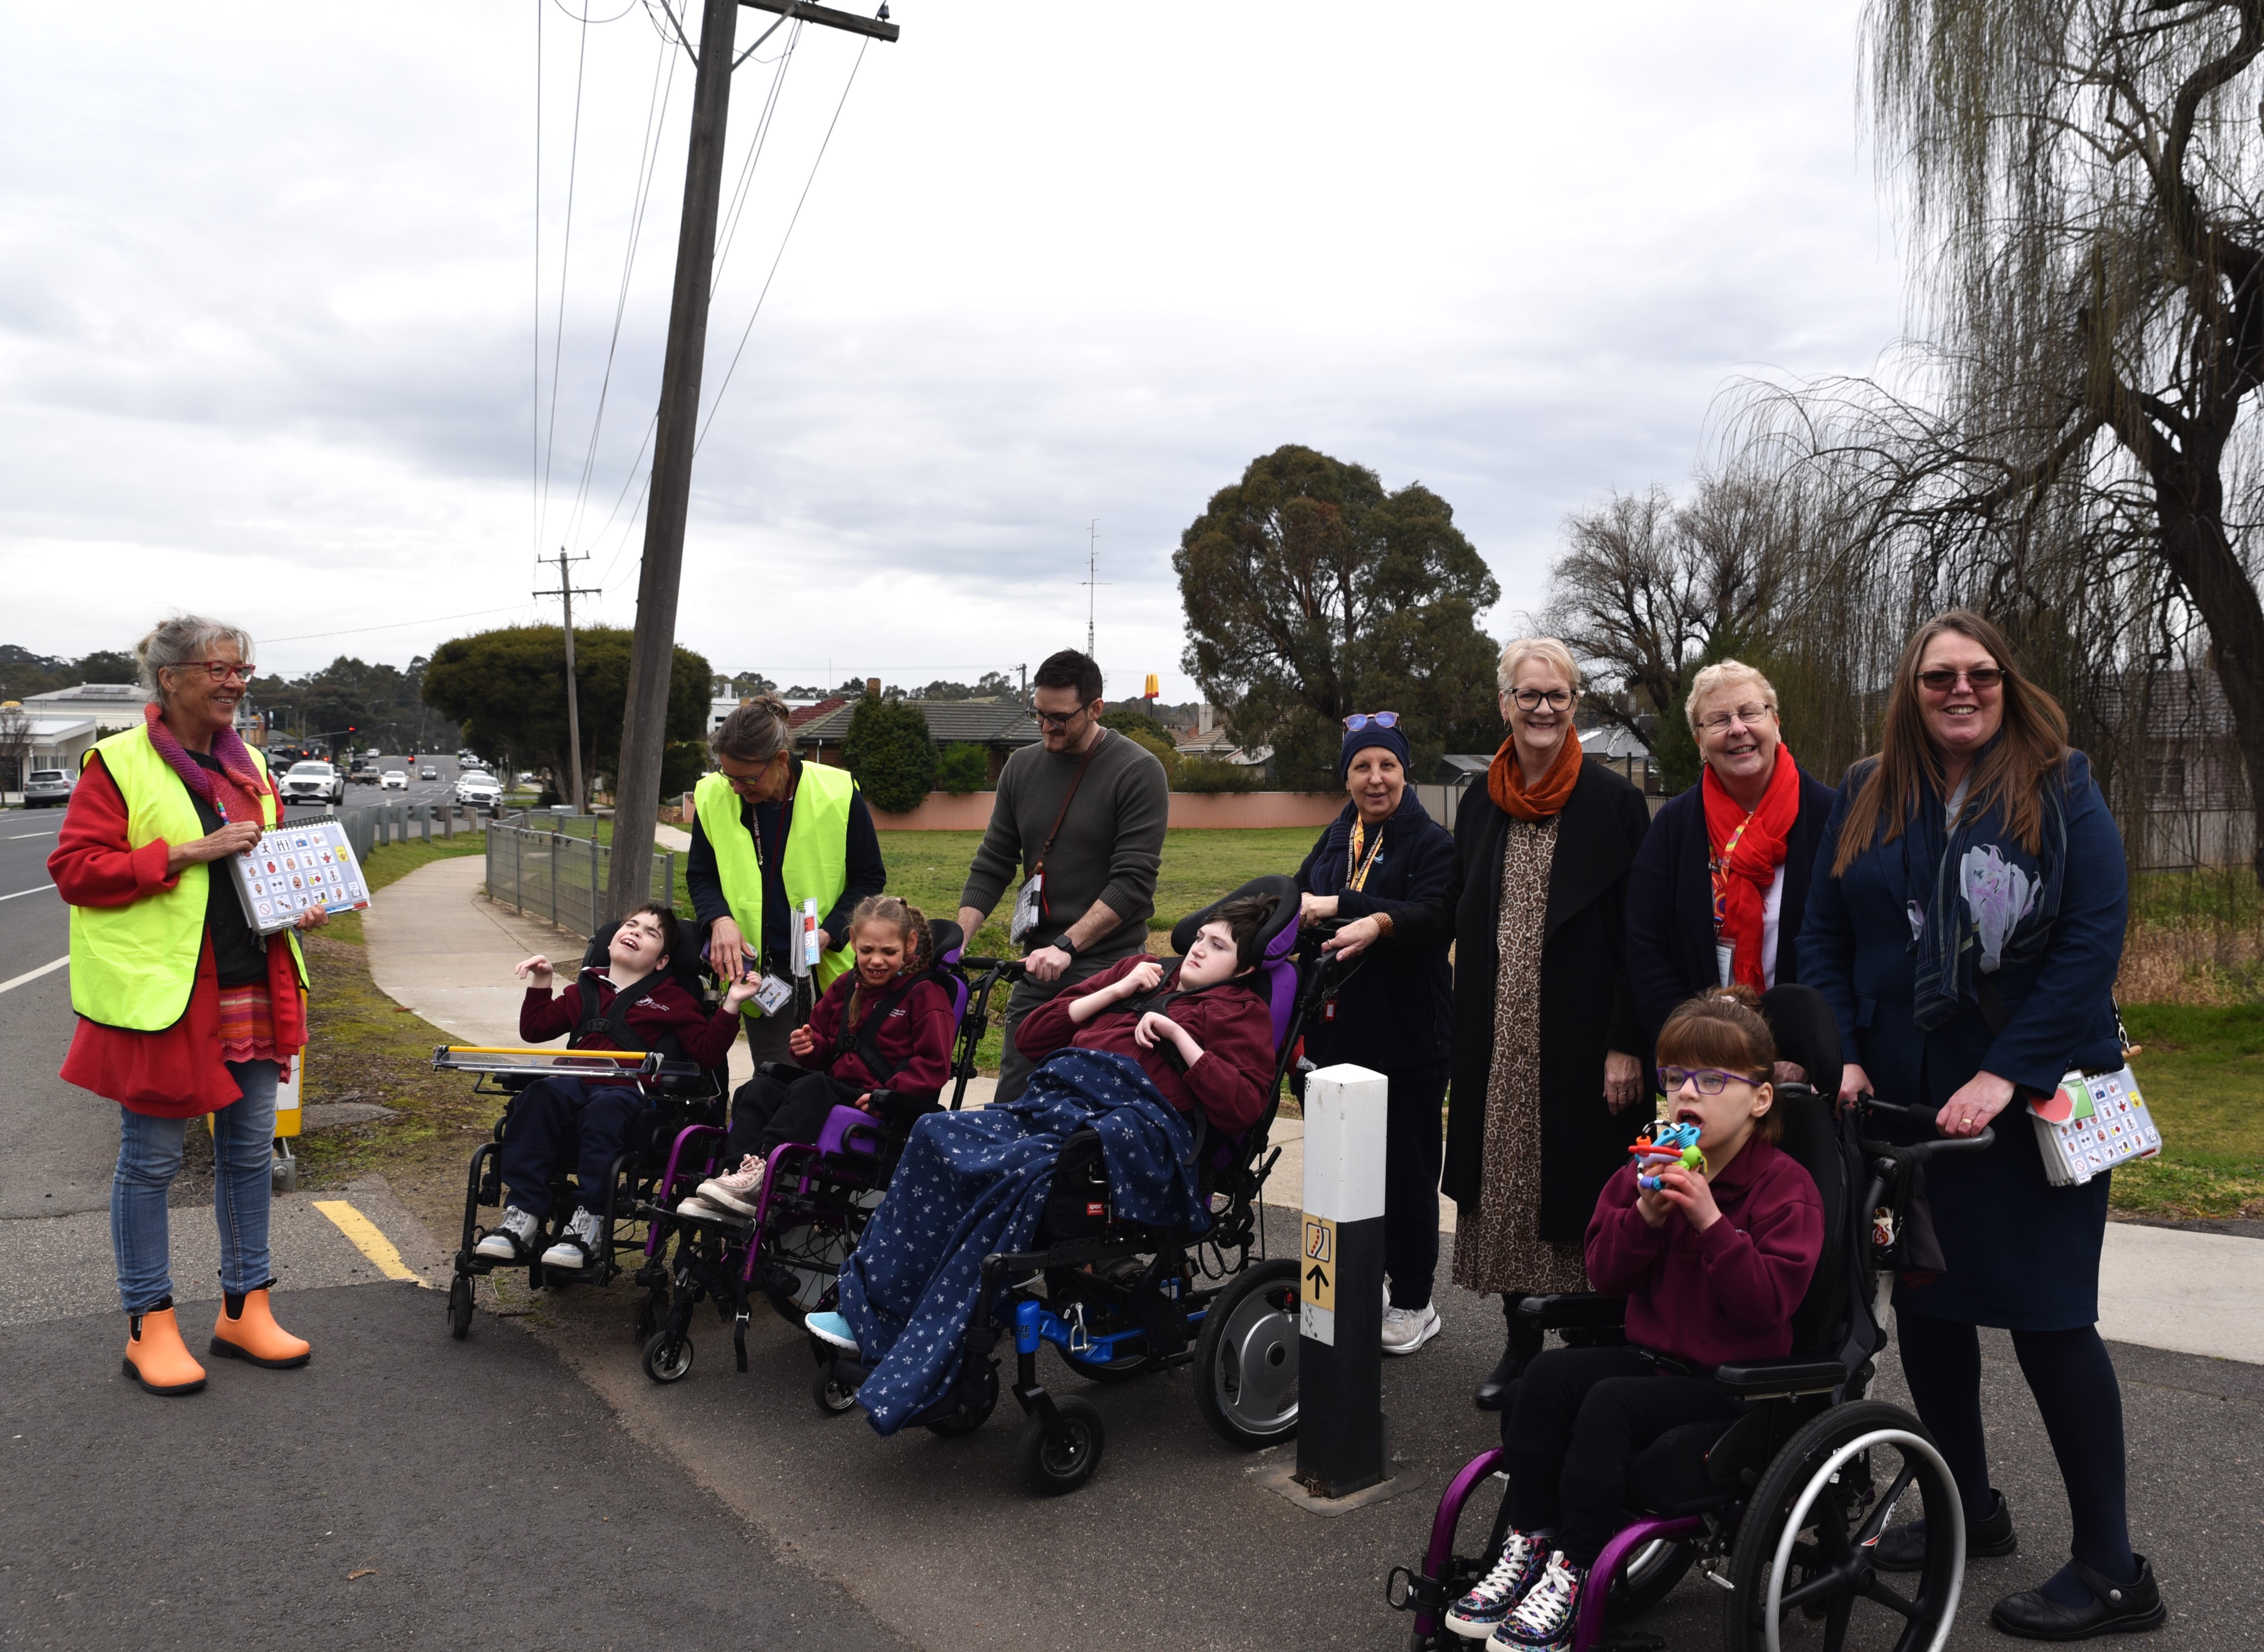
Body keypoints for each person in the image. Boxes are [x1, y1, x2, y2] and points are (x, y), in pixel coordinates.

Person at [1800, 610, 2161, 1640]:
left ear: (2007, 683)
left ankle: (2113, 1569)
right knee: (1931, 1312)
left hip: (2028, 1102)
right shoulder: (1870, 788)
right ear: (1910, 692)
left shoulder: (2061, 784)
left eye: (1980, 673)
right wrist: (1843, 1050)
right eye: (1938, 677)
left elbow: (2089, 944)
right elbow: (1825, 932)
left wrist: (2006, 1072)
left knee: (2051, 1322)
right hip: (1905, 1104)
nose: (1961, 689)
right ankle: (1969, 1503)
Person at [806, 896, 1283, 1433]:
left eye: (1218, 946)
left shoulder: (1239, 1009)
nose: (1198, 948)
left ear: (1244, 968)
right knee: (933, 1133)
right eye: (1200, 937)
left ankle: (928, 1354)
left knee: (1013, 1173)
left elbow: (1242, 1105)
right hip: (1052, 1102)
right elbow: (1032, 1035)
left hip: (1122, 1128)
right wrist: (1118, 989)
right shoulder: (1141, 970)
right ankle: (870, 1308)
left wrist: (1178, 1035)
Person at [1442, 987, 1822, 1648]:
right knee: (1543, 1380)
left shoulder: (1784, 1186)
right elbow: (1604, 1273)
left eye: (1711, 1080)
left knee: (1610, 1403)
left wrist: (1709, 1220)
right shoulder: (1652, 1161)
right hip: (1654, 1358)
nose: (1686, 1093)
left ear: (1760, 1098)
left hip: (1733, 1383)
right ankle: (1529, 1541)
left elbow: (1766, 1304)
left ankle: (1575, 1567)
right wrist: (1644, 1216)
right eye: (1674, 1077)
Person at [50, 616, 326, 1396]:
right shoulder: (117, 761)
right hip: (167, 995)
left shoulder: (253, 765)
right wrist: (185, 852)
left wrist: (300, 900)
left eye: (243, 670)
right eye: (219, 669)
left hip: (255, 981)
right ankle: (150, 1324)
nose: (235, 683)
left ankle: (246, 1308)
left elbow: (265, 864)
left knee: (250, 1153)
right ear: (170, 679)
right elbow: (76, 870)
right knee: (151, 1162)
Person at [1445, 638, 1652, 1412]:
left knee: (1587, 1192)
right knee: (1506, 1193)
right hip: (1499, 1034)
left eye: (1556, 695)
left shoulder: (1614, 803)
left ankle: (1594, 1352)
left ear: (1575, 705)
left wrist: (1626, 1039)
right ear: (1505, 704)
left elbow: (1639, 935)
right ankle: (1522, 1343)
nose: (1542, 708)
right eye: (1528, 695)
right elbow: (1456, 906)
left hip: (1584, 1035)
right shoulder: (1482, 799)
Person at [1294, 712, 1456, 1354]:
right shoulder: (1337, 837)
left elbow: (1434, 917)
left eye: (1387, 764)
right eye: (1361, 765)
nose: (1375, 777)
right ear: (1346, 776)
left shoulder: (1431, 842)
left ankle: (1415, 1300)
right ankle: (1362, 1282)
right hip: (1338, 1036)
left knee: (1407, 1174)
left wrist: (1350, 908)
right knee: (1343, 1172)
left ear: (1404, 771)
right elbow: (1298, 899)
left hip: (1410, 1036)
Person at [475, 904, 755, 1270]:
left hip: (629, 1090)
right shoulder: (583, 990)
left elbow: (706, 1053)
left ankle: (590, 1220)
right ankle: (522, 1215)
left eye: (651, 933)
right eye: (632, 925)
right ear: (610, 943)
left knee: (605, 1108)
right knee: (538, 1094)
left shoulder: (673, 999)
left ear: (662, 961)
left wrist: (731, 1004)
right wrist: (542, 981)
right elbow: (535, 1029)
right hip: (575, 1082)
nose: (636, 932)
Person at [956, 649, 1170, 1102]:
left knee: (1084, 1100)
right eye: (1039, 714)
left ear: (1096, 708)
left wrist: (1067, 946)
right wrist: (958, 939)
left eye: (1059, 718)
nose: (1046, 727)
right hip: (1040, 964)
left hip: (1109, 967)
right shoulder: (1020, 768)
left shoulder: (1137, 770)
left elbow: (1132, 882)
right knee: (1014, 1097)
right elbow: (994, 861)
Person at [680, 895, 957, 1220]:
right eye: (867, 950)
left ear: (910, 944)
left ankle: (763, 1171)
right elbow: (823, 1045)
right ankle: (733, 1178)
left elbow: (933, 1066)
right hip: (836, 1091)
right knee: (757, 1089)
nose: (876, 960)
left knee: (813, 1087)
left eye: (888, 952)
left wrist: (888, 1096)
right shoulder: (845, 986)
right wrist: (810, 1048)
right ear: (853, 940)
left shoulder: (926, 994)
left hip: (880, 1104)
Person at [1624, 660, 1838, 1051]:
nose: (1737, 729)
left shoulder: (1832, 817)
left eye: (1750, 712)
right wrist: (1695, 1045)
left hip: (1808, 1058)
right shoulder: (1673, 827)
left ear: (1776, 723)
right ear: (1699, 742)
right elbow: (1646, 946)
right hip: (1702, 1056)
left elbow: (1845, 946)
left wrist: (1812, 1050)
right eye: (1718, 720)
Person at [688, 695, 886, 1066]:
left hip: (829, 968)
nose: (735, 788)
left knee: (841, 1076)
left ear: (781, 760)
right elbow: (702, 875)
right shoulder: (713, 795)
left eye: (747, 778)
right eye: (728, 776)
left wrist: (830, 932)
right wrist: (719, 919)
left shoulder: (838, 792)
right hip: (763, 974)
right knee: (778, 1080)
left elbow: (869, 878)